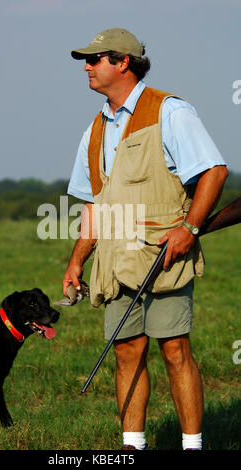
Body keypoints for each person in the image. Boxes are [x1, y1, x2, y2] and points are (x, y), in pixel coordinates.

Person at [63, 28, 228, 450]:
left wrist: (189, 228)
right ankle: (131, 448)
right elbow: (94, 205)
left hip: (164, 257)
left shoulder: (170, 111)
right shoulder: (94, 131)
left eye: (95, 59)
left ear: (122, 63)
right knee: (126, 352)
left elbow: (214, 171)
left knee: (175, 350)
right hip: (115, 263)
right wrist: (77, 261)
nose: (87, 66)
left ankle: (193, 446)